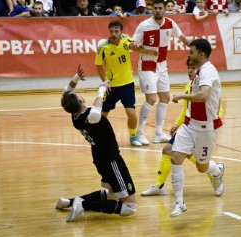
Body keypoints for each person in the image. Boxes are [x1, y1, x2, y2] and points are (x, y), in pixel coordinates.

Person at [56, 65, 137, 222]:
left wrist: (76, 78)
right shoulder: (89, 117)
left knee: (112, 194)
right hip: (111, 159)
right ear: (80, 100)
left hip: (100, 157)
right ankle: (83, 205)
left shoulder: (76, 117)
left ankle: (70, 202)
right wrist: (101, 90)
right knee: (130, 208)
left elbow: (67, 92)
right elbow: (95, 113)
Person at [141, 58, 224, 196]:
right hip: (190, 127)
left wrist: (211, 121)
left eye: (193, 68)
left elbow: (216, 109)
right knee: (168, 150)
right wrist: (177, 124)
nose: (190, 70)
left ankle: (215, 173)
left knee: (199, 164)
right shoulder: (189, 86)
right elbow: (187, 109)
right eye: (189, 68)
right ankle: (159, 185)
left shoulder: (207, 84)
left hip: (204, 129)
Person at [169, 39, 224, 217]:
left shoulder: (208, 71)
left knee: (202, 167)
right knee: (175, 157)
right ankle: (179, 202)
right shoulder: (199, 71)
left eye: (191, 52)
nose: (188, 55)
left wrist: (182, 96)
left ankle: (217, 171)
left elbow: (204, 96)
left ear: (201, 55)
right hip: (190, 124)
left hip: (207, 128)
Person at [132, 0, 191, 145]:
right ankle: (139, 133)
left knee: (165, 98)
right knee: (151, 98)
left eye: (160, 8)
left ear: (165, 9)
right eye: (156, 8)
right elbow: (132, 46)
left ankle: (158, 133)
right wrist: (145, 50)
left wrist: (195, 47)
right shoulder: (144, 25)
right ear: (152, 10)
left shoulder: (170, 23)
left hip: (162, 66)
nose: (158, 10)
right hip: (147, 66)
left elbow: (182, 38)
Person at [95, 20, 158, 147]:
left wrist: (149, 52)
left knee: (131, 113)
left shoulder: (126, 40)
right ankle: (99, 136)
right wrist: (104, 82)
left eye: (116, 31)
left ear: (121, 32)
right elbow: (98, 65)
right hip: (111, 87)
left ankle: (133, 136)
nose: (114, 34)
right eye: (111, 31)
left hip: (127, 85)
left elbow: (134, 46)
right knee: (103, 114)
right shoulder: (103, 47)